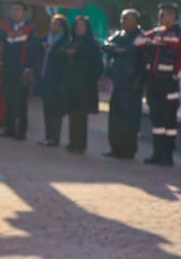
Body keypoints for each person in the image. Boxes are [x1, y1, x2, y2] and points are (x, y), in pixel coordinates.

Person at [135, 3, 181, 165]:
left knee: (169, 121)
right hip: (153, 82)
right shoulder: (156, 33)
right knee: (157, 120)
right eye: (160, 15)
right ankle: (157, 154)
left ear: (173, 16)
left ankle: (168, 156)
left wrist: (175, 76)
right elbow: (137, 41)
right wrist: (150, 43)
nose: (161, 18)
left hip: (169, 83)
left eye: (163, 15)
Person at [101, 9, 146, 159]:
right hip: (118, 83)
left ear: (135, 21)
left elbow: (143, 60)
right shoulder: (119, 36)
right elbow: (106, 44)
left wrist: (138, 80)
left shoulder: (141, 37)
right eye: (123, 19)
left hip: (132, 85)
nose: (124, 22)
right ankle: (115, 148)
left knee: (130, 118)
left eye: (127, 19)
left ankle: (128, 150)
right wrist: (115, 49)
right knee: (115, 117)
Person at [0, 1, 37, 140]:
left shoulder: (30, 29)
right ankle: (9, 128)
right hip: (8, 68)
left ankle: (21, 131)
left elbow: (33, 50)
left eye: (18, 10)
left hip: (22, 69)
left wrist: (29, 68)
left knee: (21, 100)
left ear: (24, 13)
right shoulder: (7, 27)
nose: (15, 12)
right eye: (13, 9)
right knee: (8, 99)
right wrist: (6, 35)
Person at [63, 14, 104, 154]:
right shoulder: (72, 42)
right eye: (77, 26)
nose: (79, 28)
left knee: (81, 115)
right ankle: (73, 141)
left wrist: (88, 79)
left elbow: (98, 66)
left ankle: (80, 144)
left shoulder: (91, 44)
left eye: (82, 26)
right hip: (72, 84)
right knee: (73, 113)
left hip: (85, 86)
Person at [36, 14, 70, 147]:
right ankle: (48, 136)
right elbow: (34, 45)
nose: (52, 26)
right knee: (47, 109)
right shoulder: (46, 39)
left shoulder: (65, 40)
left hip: (58, 81)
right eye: (51, 23)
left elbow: (64, 60)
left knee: (55, 110)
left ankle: (54, 138)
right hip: (46, 79)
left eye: (55, 24)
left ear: (62, 27)